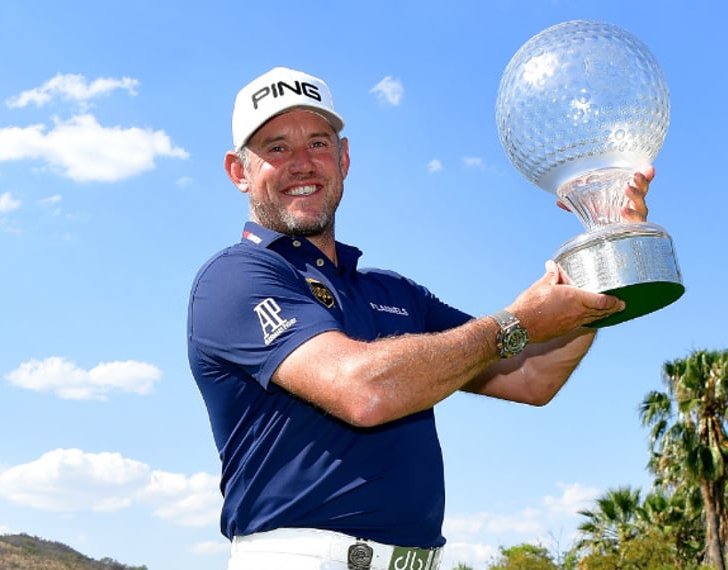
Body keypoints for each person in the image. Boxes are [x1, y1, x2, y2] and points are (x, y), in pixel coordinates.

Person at [187, 66, 654, 570]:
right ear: (239, 171)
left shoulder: (396, 293)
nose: (302, 163)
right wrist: (513, 324)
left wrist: (603, 252)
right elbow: (363, 391)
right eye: (276, 148)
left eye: (318, 143)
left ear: (343, 159)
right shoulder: (234, 277)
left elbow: (532, 376)